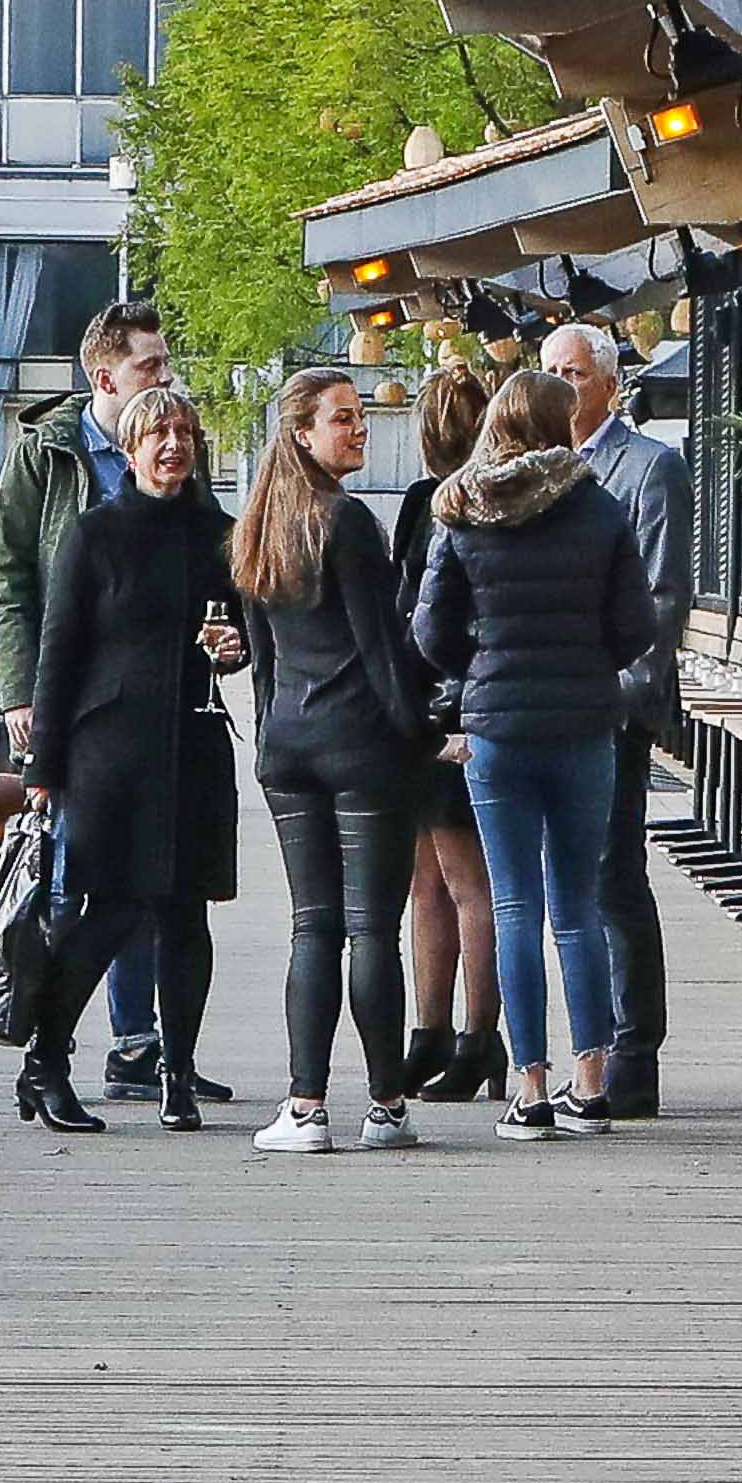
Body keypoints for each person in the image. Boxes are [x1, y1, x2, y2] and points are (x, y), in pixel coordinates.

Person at [410, 367, 662, 1144]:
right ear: (560, 426)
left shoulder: (463, 508)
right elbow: (637, 625)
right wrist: (591, 661)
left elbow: (429, 632)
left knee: (514, 905)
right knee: (577, 906)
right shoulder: (600, 508)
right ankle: (593, 1084)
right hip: (586, 725)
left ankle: (530, 1087)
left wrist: (477, 667)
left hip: (497, 731)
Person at [12, 377, 242, 1138]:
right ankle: (46, 1061)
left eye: (184, 433)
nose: (173, 445)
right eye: (157, 435)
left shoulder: (222, 533)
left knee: (187, 914)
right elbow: (58, 651)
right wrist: (43, 769)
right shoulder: (95, 533)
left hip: (195, 743)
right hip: (111, 747)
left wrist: (233, 650)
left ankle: (178, 1074)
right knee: (106, 911)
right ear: (130, 449)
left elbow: (240, 637)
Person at [228, 366, 438, 1150]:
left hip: (289, 743)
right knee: (373, 928)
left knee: (311, 927)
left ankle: (305, 1106)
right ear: (303, 434)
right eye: (343, 419)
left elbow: (262, 658)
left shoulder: (257, 522)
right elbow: (382, 650)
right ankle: (385, 1105)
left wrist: (272, 735)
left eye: (358, 417)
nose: (360, 429)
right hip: (359, 745)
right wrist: (418, 733)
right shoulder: (346, 522)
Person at [0, 301, 186, 1100]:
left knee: (147, 876)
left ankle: (138, 1045)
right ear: (103, 378)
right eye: (150, 368)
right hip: (73, 700)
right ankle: (52, 1049)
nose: (165, 381)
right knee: (81, 879)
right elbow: (8, 578)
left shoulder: (171, 448)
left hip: (153, 704)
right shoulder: (47, 452)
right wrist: (21, 693)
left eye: (167, 365)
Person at [530, 321, 695, 1121]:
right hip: (546, 708)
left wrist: (621, 700)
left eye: (575, 372)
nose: (563, 386)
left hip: (610, 711)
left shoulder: (649, 469)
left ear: (608, 383)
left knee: (612, 877)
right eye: (550, 373)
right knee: (565, 884)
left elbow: (662, 599)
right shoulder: (534, 471)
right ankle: (584, 1049)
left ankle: (634, 1053)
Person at [375, 361, 504, 1095]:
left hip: (438, 708)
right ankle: (443, 1034)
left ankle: (467, 1036)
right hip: (449, 705)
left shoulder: (436, 503)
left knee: (449, 879)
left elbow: (412, 608)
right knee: (440, 877)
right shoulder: (476, 502)